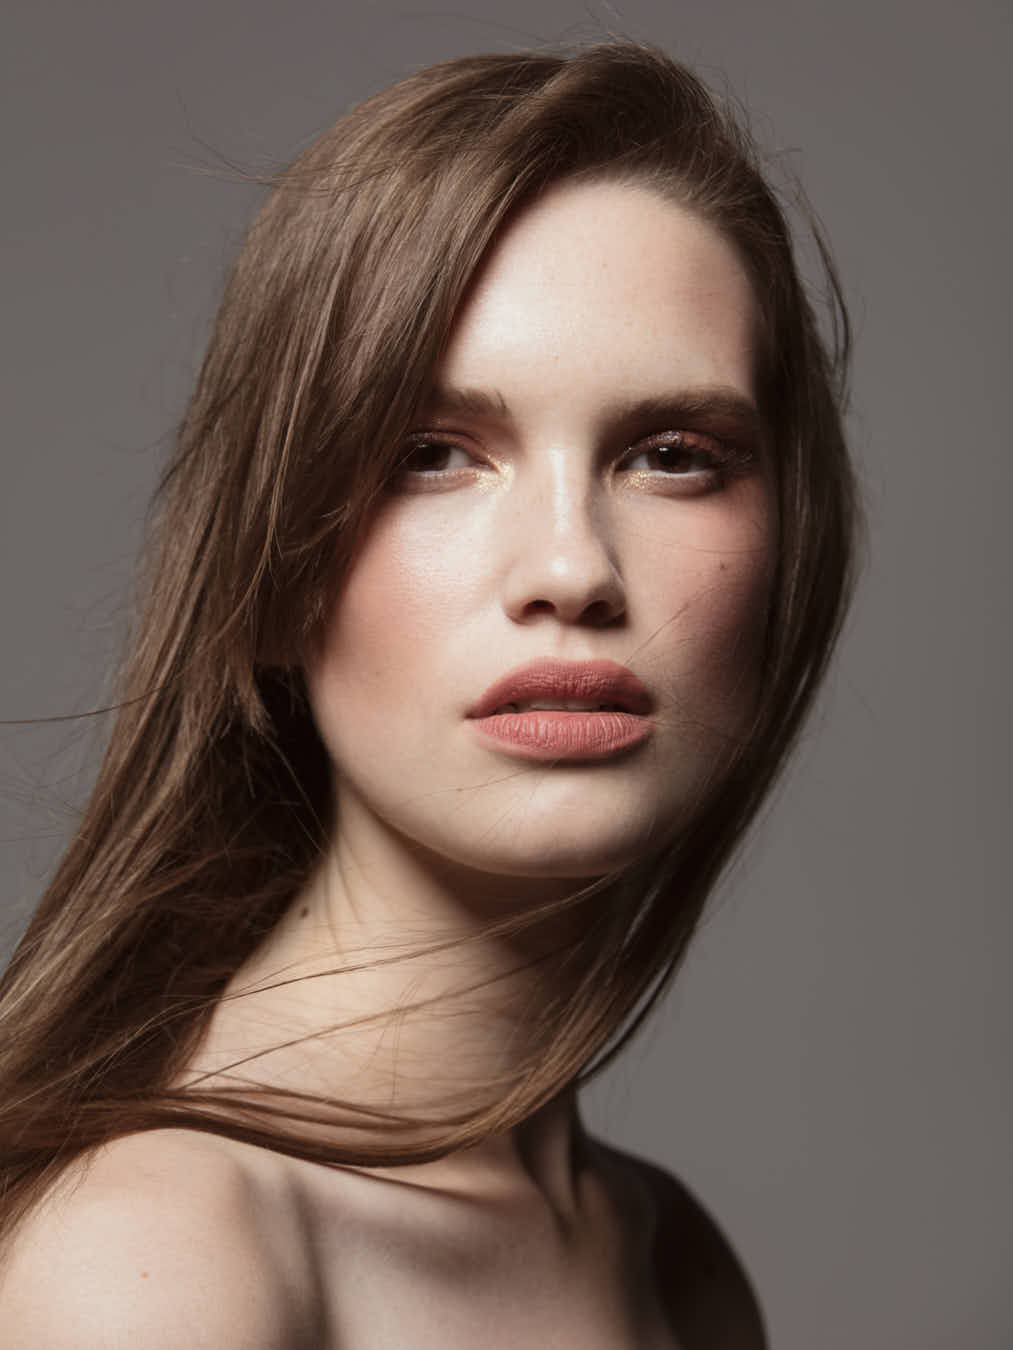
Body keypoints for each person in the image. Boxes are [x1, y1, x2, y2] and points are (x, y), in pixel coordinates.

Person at [0, 41, 855, 1348]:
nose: (570, 567)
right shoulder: (156, 1261)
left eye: (671, 456)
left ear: (788, 550)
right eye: (432, 454)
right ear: (273, 572)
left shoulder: (669, 1260)